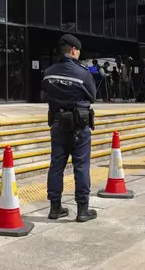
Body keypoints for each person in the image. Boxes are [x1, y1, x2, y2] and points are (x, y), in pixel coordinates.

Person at [43, 34, 97, 223]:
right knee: (81, 166)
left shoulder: (48, 72)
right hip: (78, 126)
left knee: (56, 166)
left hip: (57, 124)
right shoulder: (82, 73)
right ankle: (82, 210)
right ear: (74, 50)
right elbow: (92, 95)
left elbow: (47, 93)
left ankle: (55, 208)